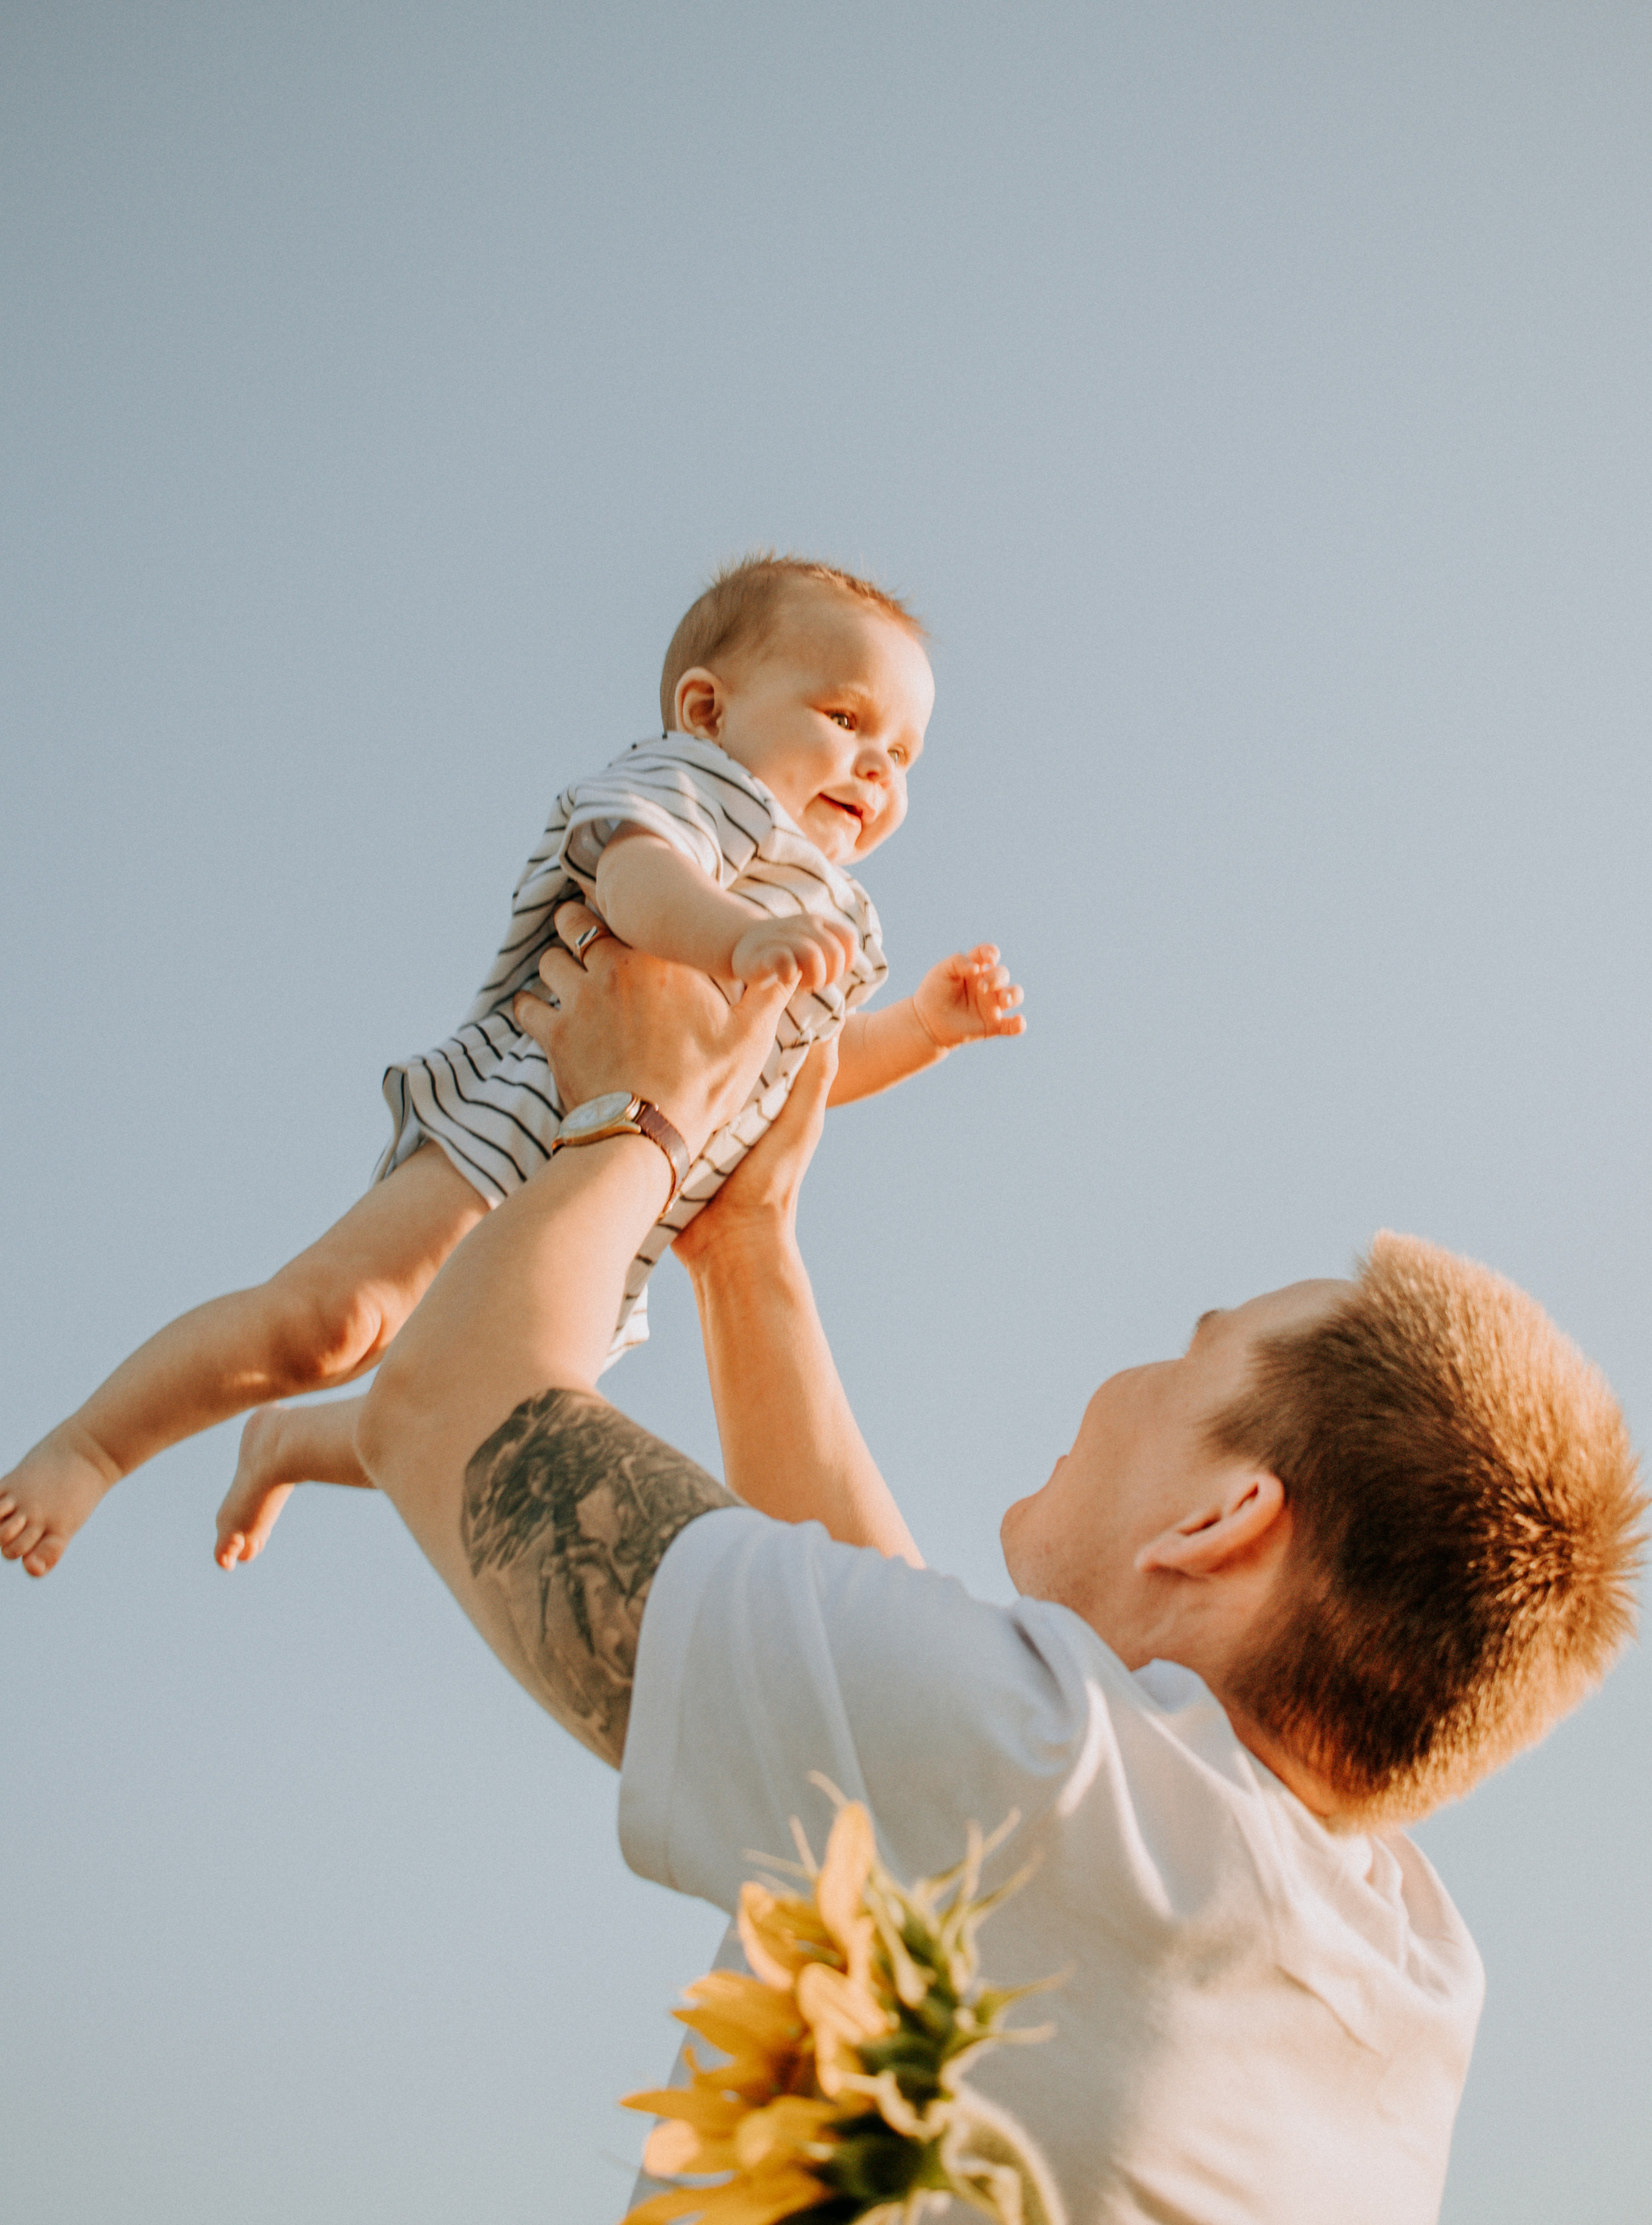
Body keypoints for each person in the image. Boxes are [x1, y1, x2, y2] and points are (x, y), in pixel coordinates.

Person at [352, 906, 1643, 2225]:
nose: (1126, 1375)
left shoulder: (1049, 1795)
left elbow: (444, 1406)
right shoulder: (1402, 1984)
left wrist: (642, 1102)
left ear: (1221, 1520)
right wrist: (744, 1253)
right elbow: (930, 1749)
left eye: (1189, 1350)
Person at [0, 554, 1023, 1579]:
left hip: (624, 1208)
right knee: (336, 1321)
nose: (878, 768)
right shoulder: (696, 784)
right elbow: (634, 881)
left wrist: (926, 1033)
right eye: (847, 719)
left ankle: (292, 1445)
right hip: (518, 1120)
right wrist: (729, 942)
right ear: (707, 709)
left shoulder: (839, 916)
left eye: (903, 753)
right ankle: (91, 1448)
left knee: (497, 1425)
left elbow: (796, 1082)